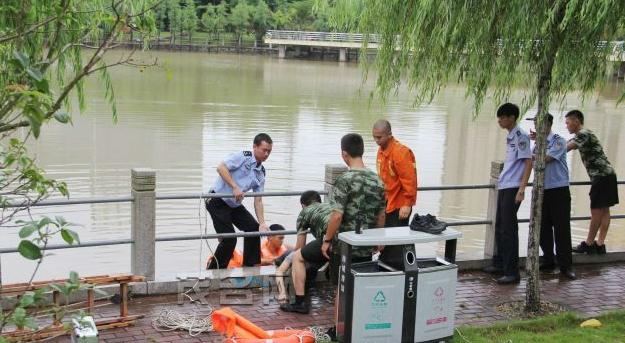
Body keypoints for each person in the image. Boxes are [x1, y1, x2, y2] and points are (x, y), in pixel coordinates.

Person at [321, 133, 386, 339]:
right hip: (366, 246)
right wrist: (378, 240)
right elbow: (381, 215)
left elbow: (337, 215)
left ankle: (339, 330)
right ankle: (360, 326)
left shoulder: (345, 180)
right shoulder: (377, 180)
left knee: (342, 289)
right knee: (361, 287)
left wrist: (327, 240)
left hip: (345, 247)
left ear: (344, 153)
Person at [205, 133, 272, 269]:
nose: (266, 154)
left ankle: (250, 267)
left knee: (253, 229)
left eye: (269, 151)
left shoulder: (261, 172)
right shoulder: (243, 156)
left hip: (234, 204)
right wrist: (234, 186)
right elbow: (221, 168)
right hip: (217, 200)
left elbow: (258, 200)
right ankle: (213, 271)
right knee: (230, 239)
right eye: (264, 150)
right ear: (255, 147)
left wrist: (262, 223)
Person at [483, 103, 532, 284]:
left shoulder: (521, 136)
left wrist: (521, 189)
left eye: (502, 117)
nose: (499, 121)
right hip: (505, 185)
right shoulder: (511, 136)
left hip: (513, 187)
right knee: (500, 226)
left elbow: (528, 162)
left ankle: (512, 272)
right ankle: (500, 264)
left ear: (511, 117)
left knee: (509, 230)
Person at [565, 110, 619, 254]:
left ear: (576, 121)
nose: (566, 126)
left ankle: (589, 244)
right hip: (608, 175)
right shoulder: (583, 135)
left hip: (601, 177)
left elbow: (565, 149)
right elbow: (565, 143)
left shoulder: (583, 134)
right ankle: (600, 244)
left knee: (596, 211)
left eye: (568, 122)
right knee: (605, 210)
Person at [529, 114, 576, 280]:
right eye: (534, 123)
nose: (536, 126)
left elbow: (545, 159)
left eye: (538, 123)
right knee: (542, 228)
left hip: (558, 190)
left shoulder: (558, 140)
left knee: (561, 228)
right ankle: (548, 260)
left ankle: (566, 266)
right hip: (541, 190)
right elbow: (533, 161)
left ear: (548, 124)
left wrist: (529, 154)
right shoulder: (537, 144)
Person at [372, 119, 417, 268]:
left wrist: (407, 204)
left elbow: (409, 180)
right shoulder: (382, 150)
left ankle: (400, 269)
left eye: (379, 137)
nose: (377, 141)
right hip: (387, 200)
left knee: (398, 240)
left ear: (389, 135)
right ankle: (388, 266)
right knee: (388, 236)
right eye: (374, 137)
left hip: (399, 204)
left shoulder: (400, 152)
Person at [280, 190, 333, 314]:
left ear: (303, 205)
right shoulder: (329, 206)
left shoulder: (304, 212)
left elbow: (300, 246)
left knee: (297, 257)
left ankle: (300, 303)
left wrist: (286, 257)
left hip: (331, 240)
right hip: (349, 238)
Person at [206, 224, 293, 269]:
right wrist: (273, 260)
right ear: (270, 237)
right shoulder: (261, 249)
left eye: (283, 238)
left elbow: (292, 247)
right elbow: (255, 261)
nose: (282, 241)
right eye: (280, 238)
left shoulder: (281, 246)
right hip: (240, 261)